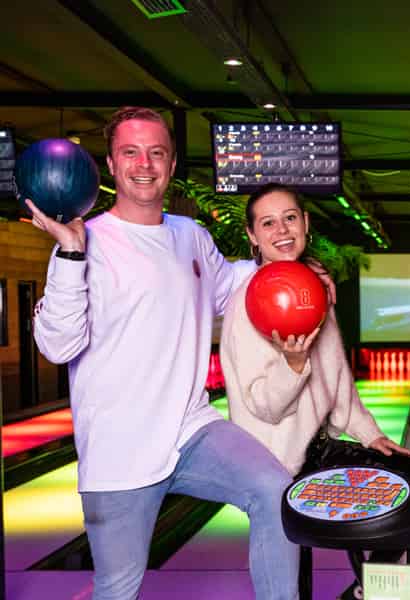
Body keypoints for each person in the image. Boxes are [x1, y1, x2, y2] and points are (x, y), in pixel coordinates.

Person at [28, 107, 332, 600]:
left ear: (170, 166)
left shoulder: (190, 236)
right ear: (111, 164)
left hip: (191, 429)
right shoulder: (88, 243)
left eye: (156, 153)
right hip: (119, 452)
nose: (144, 163)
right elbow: (58, 345)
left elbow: (228, 283)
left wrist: (293, 270)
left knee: (274, 490)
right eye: (131, 152)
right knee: (117, 588)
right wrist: (68, 252)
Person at [219, 182, 410, 600]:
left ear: (306, 223)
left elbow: (338, 386)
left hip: (319, 449)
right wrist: (292, 365)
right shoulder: (247, 304)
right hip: (273, 466)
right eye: (268, 222)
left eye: (290, 218)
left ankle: (368, 587)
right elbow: (264, 407)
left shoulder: (314, 290)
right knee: (293, 587)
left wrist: (371, 435)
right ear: (252, 235)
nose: (281, 230)